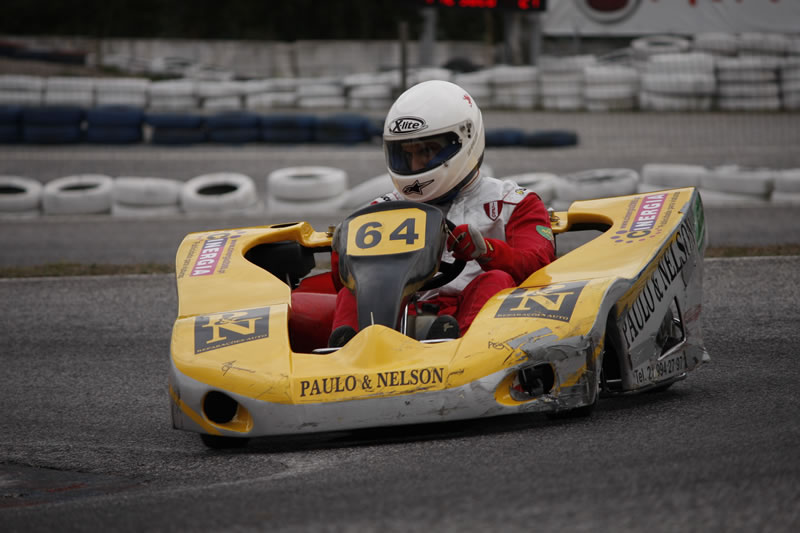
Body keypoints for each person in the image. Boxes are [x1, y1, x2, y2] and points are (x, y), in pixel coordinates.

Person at [328, 80, 555, 347]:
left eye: (425, 151)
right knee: (352, 292)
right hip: (397, 316)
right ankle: (347, 355)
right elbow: (339, 282)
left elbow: (540, 266)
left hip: (475, 317)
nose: (414, 164)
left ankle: (468, 353)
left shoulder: (513, 203)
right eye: (406, 153)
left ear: (464, 139)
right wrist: (345, 256)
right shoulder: (379, 212)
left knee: (496, 279)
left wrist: (488, 252)